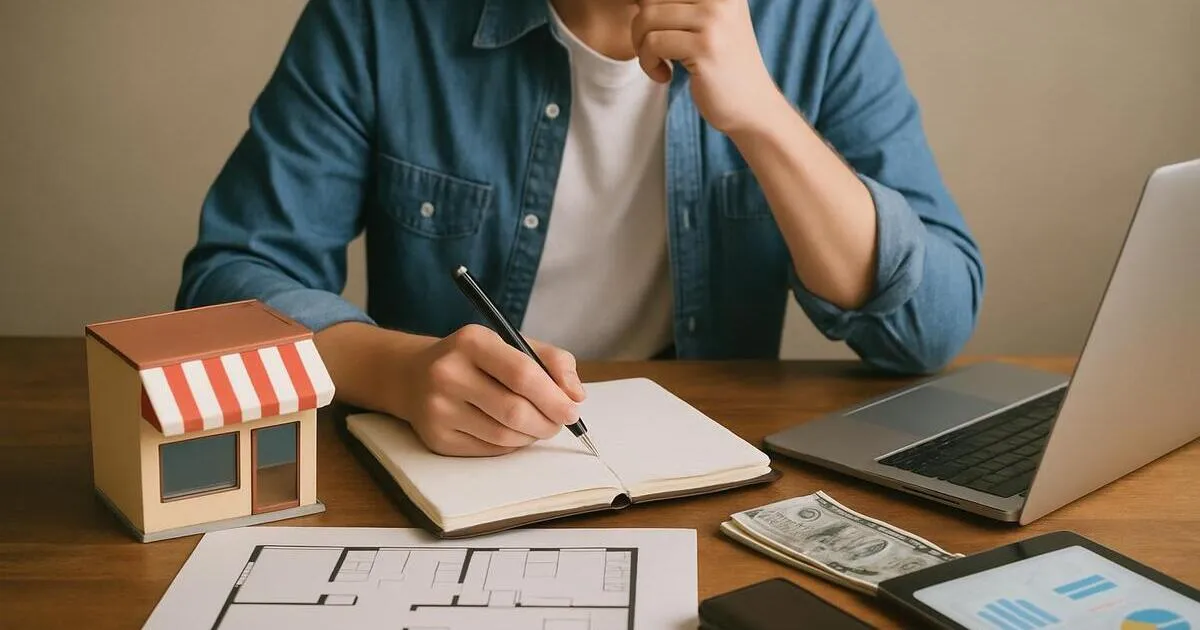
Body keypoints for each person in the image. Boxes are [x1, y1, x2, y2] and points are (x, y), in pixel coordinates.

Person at [177, 0, 983, 457]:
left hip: (702, 467)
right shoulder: (380, 17)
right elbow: (227, 286)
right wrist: (398, 372)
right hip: (442, 465)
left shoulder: (815, 19)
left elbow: (929, 331)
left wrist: (766, 120)